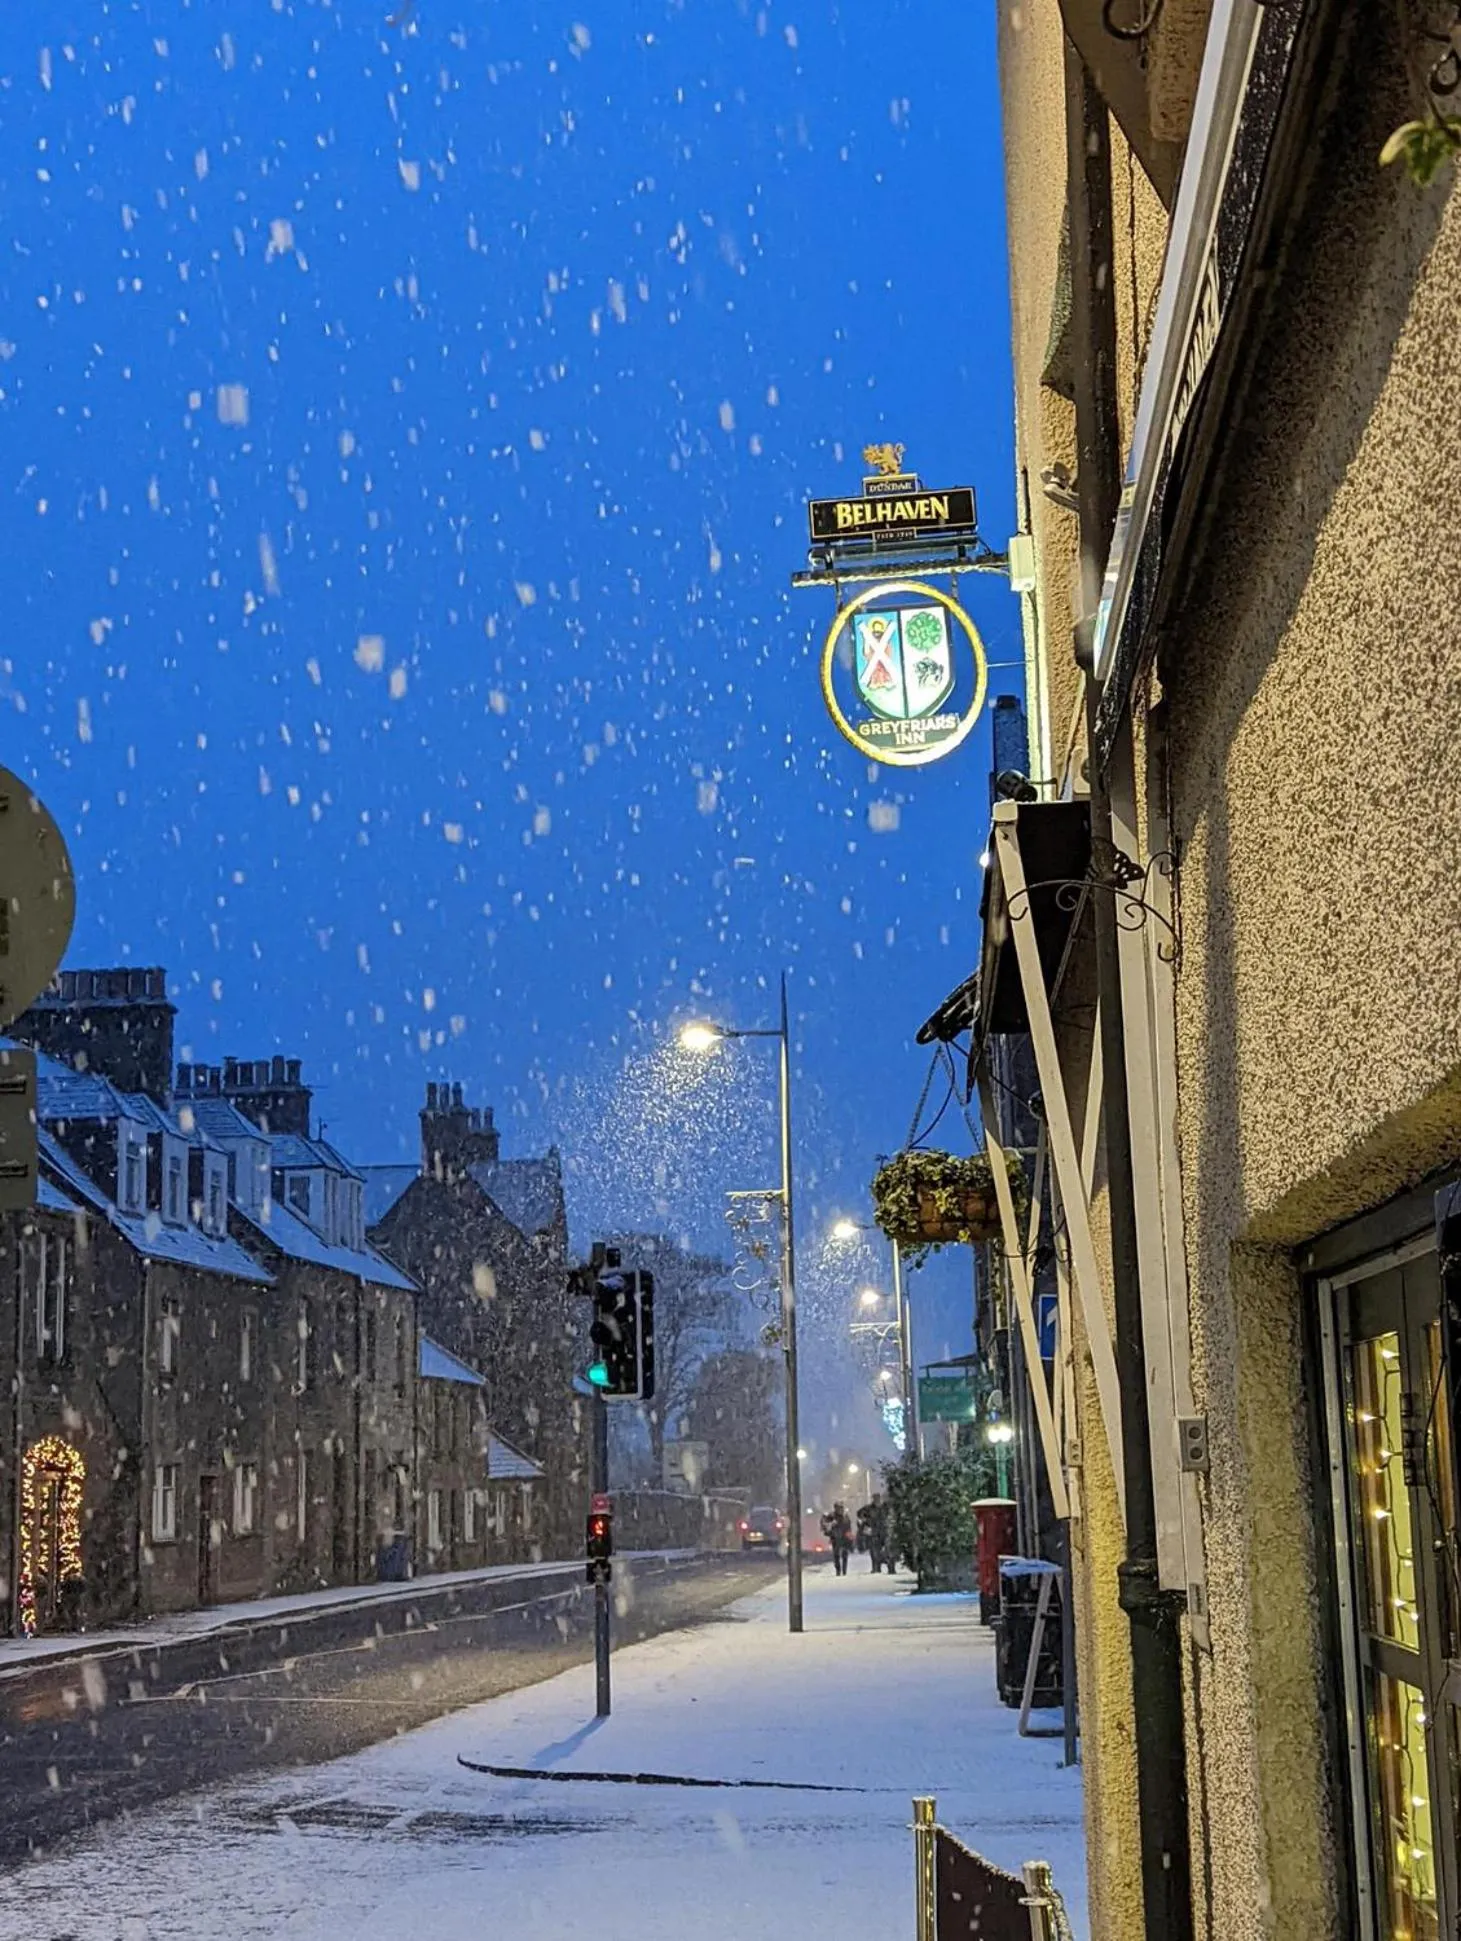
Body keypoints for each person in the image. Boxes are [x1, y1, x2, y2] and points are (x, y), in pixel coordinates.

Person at [821, 1500, 853, 1576]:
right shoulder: (831, 1516)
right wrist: (830, 1526)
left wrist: (850, 1538)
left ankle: (844, 1571)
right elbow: (825, 1524)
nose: (840, 1509)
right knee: (836, 1555)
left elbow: (849, 1527)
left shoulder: (845, 1516)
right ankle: (838, 1570)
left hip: (844, 1538)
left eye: (841, 1508)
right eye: (838, 1508)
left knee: (845, 1554)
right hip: (835, 1538)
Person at [865, 1495, 892, 1575]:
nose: (877, 1500)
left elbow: (889, 1515)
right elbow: (860, 1514)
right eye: (875, 1499)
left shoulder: (884, 1507)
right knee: (874, 1551)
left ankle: (890, 1567)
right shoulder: (869, 1508)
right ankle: (876, 1567)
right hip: (874, 1533)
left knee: (887, 1550)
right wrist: (867, 1521)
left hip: (884, 1531)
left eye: (878, 1499)